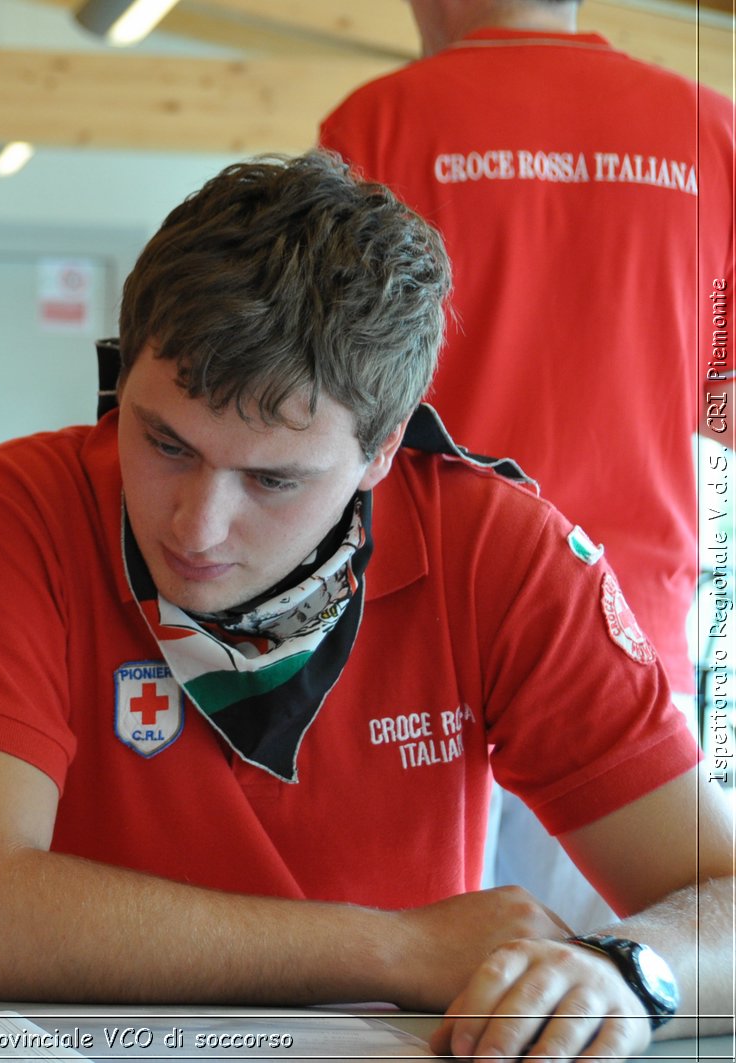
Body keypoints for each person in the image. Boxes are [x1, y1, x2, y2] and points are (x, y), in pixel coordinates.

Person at [0, 152, 732, 1063]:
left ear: (384, 450)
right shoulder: (20, 507)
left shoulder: (499, 551)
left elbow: (720, 895)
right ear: (121, 373)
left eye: (273, 477)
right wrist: (396, 946)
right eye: (165, 441)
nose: (197, 525)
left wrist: (628, 968)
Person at [318, 0, 734, 936]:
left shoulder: (380, 121)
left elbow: (321, 392)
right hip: (628, 639)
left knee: (412, 993)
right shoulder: (712, 133)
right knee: (618, 992)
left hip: (414, 637)